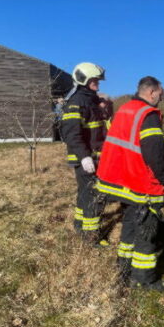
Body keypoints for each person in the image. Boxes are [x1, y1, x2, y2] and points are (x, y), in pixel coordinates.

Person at [96, 76, 164, 292]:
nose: (161, 97)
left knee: (129, 225)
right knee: (147, 233)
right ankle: (144, 278)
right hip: (140, 183)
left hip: (121, 181)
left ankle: (124, 268)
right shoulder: (148, 115)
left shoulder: (125, 109)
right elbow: (154, 153)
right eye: (160, 93)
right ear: (151, 92)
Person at [61, 62, 110, 246]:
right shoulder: (76, 103)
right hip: (85, 159)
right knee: (93, 196)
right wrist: (85, 157)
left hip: (92, 156)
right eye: (94, 80)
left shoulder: (91, 100)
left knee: (84, 194)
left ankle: (80, 227)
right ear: (84, 80)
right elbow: (71, 134)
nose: (97, 83)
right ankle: (91, 238)